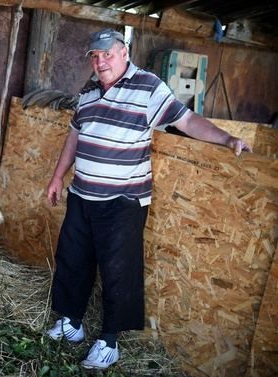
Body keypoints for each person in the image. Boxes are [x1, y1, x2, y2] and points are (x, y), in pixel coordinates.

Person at [45, 28, 251, 370]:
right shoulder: (88, 89)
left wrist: (227, 138)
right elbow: (75, 134)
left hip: (123, 200)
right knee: (73, 259)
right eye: (94, 56)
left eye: (107, 54)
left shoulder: (148, 87)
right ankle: (72, 323)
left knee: (117, 270)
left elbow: (187, 120)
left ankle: (109, 340)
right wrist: (57, 176)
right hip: (82, 193)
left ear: (124, 52)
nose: (100, 62)